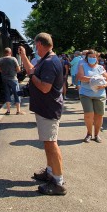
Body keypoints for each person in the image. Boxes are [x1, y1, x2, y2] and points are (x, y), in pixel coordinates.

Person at [18, 33, 66, 196]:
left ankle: (58, 182)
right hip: (45, 108)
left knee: (51, 144)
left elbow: (45, 87)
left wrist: (32, 76)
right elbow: (31, 70)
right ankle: (50, 171)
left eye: (34, 45)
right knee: (48, 143)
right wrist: (23, 56)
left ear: (39, 44)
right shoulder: (45, 60)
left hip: (49, 108)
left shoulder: (51, 62)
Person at [76, 49, 107, 143]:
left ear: (97, 58)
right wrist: (95, 78)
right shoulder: (83, 66)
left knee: (99, 115)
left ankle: (97, 134)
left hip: (100, 94)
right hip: (86, 93)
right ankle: (89, 133)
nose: (92, 58)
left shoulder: (100, 68)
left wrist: (104, 85)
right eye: (90, 57)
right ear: (87, 58)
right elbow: (81, 77)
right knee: (89, 114)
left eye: (94, 57)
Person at [0, 47, 22, 115]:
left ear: (4, 53)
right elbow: (18, 69)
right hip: (13, 79)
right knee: (17, 94)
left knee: (7, 94)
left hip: (5, 79)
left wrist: (5, 72)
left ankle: (8, 111)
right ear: (10, 52)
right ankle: (18, 111)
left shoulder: (1, 59)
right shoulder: (13, 59)